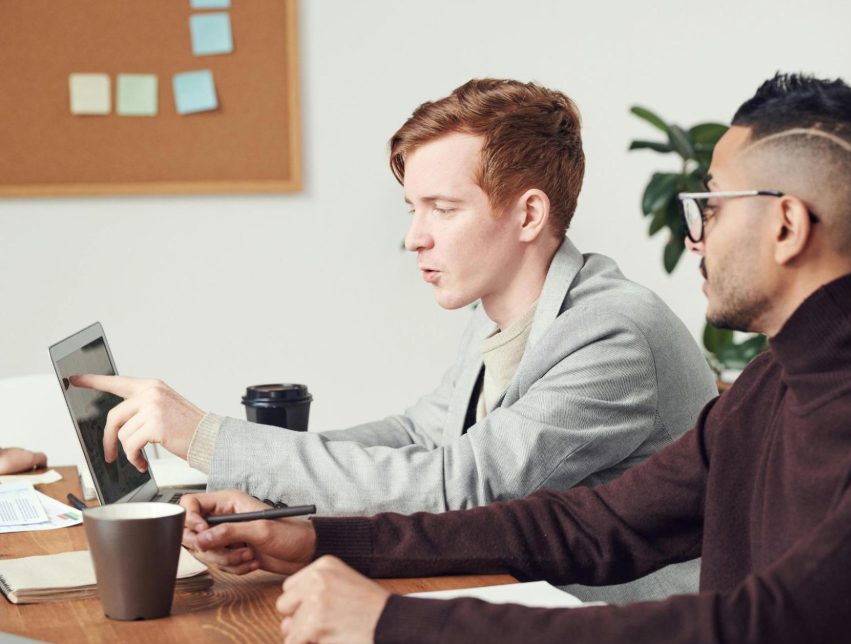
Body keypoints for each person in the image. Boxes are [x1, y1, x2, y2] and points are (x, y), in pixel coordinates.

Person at [181, 72, 851, 644]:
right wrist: (321, 536)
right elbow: (587, 526)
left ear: (787, 225)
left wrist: (400, 624)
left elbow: (752, 640)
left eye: (711, 206)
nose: (694, 235)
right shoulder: (774, 386)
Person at [73, 79, 717, 601]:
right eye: (413, 208)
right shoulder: (503, 306)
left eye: (442, 208)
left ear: (528, 214)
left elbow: (461, 485)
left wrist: (208, 436)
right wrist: (257, 497)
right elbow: (418, 435)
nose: (415, 237)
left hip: (620, 637)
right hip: (510, 597)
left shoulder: (614, 334)